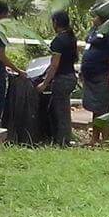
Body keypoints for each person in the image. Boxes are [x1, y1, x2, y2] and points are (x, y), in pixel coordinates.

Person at [80, 6, 109, 145]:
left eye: (96, 17)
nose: (93, 19)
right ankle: (94, 138)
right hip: (90, 75)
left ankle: (105, 140)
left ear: (103, 18)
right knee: (95, 107)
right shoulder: (95, 30)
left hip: (103, 74)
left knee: (103, 107)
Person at [36, 10, 79, 146]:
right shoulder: (71, 38)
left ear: (55, 23)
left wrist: (45, 82)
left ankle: (61, 141)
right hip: (71, 75)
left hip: (62, 78)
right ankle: (63, 138)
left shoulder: (58, 41)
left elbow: (54, 65)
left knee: (59, 111)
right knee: (63, 108)